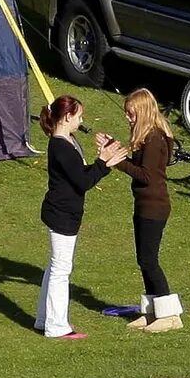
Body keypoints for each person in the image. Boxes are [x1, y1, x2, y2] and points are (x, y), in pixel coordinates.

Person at [34, 96, 124, 341]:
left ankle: (44, 319)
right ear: (67, 117)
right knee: (61, 269)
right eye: (79, 116)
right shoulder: (61, 146)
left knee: (55, 267)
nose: (82, 121)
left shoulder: (68, 141)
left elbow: (80, 173)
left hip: (63, 211)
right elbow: (83, 182)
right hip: (62, 214)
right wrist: (104, 163)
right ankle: (56, 326)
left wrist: (104, 161)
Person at [116, 87, 183, 332]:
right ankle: (153, 312)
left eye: (131, 114)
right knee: (143, 260)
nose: (128, 118)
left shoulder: (155, 139)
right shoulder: (148, 139)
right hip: (144, 205)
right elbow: (140, 167)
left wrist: (117, 162)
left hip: (154, 207)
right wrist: (116, 149)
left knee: (149, 260)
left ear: (143, 112)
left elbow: (145, 175)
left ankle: (170, 315)